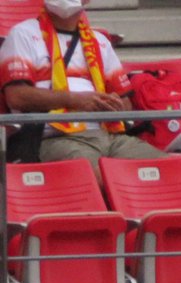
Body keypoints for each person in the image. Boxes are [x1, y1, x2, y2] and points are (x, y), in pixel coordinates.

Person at [0, 0, 166, 171]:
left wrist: (111, 104)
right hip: (55, 138)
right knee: (100, 177)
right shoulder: (23, 34)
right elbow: (16, 96)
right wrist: (75, 100)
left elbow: (125, 103)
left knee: (171, 169)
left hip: (109, 137)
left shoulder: (100, 41)